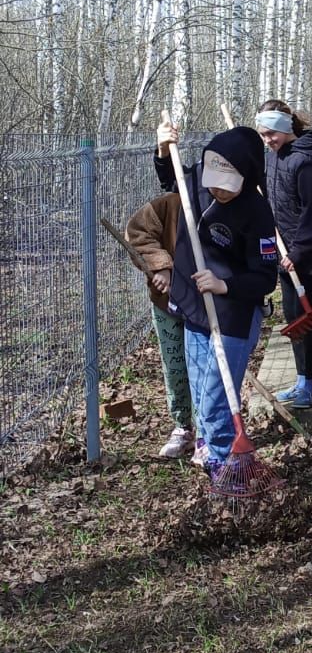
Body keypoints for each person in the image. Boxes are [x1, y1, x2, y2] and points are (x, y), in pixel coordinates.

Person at [155, 120, 278, 470]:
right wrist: (164, 151)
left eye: (228, 187)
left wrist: (226, 285)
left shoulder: (257, 214)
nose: (219, 192)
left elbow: (265, 278)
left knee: (216, 400)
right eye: (215, 184)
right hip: (195, 307)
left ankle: (228, 470)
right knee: (201, 395)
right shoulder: (198, 178)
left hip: (233, 317)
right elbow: (172, 181)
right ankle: (209, 448)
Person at [255, 99, 312, 408]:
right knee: (292, 316)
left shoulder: (306, 162)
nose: (267, 140)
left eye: (270, 134)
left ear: (285, 129)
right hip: (284, 249)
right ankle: (302, 379)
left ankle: (311, 385)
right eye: (262, 135)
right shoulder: (275, 156)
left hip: (306, 254)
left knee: (303, 318)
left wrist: (299, 251)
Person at [125, 191, 196, 460]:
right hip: (167, 303)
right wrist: (160, 267)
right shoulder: (168, 205)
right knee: (175, 363)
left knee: (203, 368)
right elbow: (138, 232)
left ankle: (209, 432)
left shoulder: (226, 205)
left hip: (205, 304)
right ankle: (183, 426)